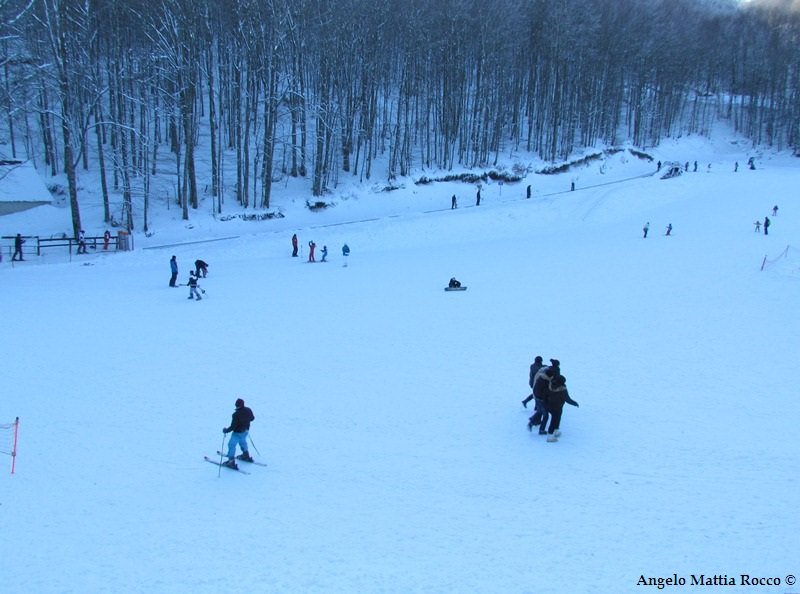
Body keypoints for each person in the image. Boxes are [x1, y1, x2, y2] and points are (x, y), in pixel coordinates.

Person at [527, 359, 560, 434]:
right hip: (541, 399)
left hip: (537, 397)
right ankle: (541, 430)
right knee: (546, 415)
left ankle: (532, 421)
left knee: (539, 411)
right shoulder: (546, 382)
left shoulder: (540, 378)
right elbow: (546, 392)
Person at [544, 374, 579, 442]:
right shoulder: (562, 390)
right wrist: (575, 403)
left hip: (549, 406)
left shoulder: (550, 385)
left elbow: (545, 395)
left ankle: (556, 431)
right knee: (554, 420)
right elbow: (567, 399)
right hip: (557, 407)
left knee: (556, 418)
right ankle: (550, 436)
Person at [222, 398, 255, 468]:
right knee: (243, 442)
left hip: (237, 433)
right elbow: (252, 418)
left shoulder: (235, 414)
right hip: (245, 431)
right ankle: (246, 455)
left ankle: (231, 461)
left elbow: (233, 426)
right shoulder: (248, 410)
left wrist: (226, 430)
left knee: (231, 445)